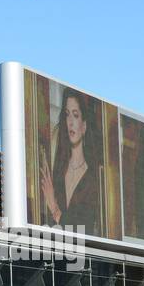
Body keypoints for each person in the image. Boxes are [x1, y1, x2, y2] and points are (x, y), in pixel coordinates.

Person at [39, 89, 101, 236]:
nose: (71, 122)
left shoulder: (92, 177)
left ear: (84, 126)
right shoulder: (59, 170)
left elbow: (84, 231)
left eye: (75, 115)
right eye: (67, 115)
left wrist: (54, 207)